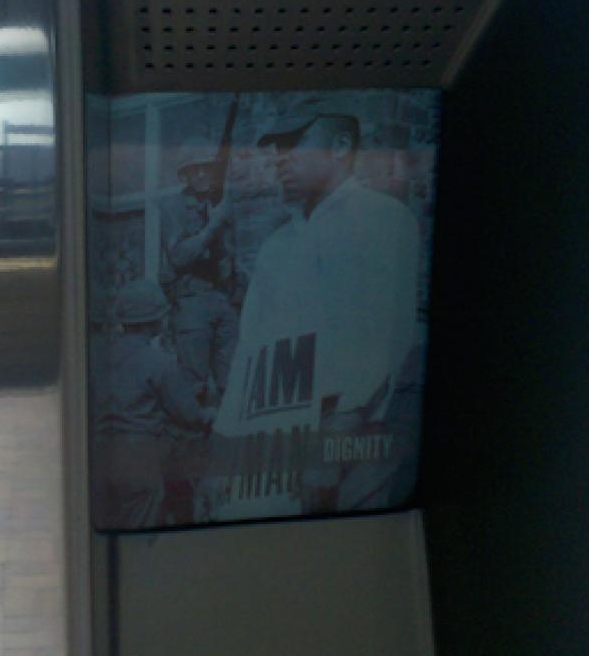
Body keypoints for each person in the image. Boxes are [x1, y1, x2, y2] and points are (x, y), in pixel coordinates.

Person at [197, 97, 421, 523]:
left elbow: (372, 350)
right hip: (271, 451)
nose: (280, 159)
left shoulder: (381, 220)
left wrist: (328, 454)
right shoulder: (276, 246)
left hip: (346, 452)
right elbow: (249, 356)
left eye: (294, 144)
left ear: (339, 146)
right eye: (276, 148)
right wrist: (219, 463)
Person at [91, 279, 212, 529]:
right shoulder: (159, 362)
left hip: (99, 455)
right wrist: (209, 413)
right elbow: (188, 414)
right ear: (154, 321)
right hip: (139, 459)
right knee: (137, 540)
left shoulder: (98, 356)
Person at [159, 137, 239, 404]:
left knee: (234, 382)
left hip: (224, 299)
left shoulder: (219, 204)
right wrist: (213, 227)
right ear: (185, 177)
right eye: (196, 169)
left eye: (208, 168)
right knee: (193, 385)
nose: (204, 174)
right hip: (192, 299)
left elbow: (230, 255)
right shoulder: (174, 207)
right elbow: (180, 256)